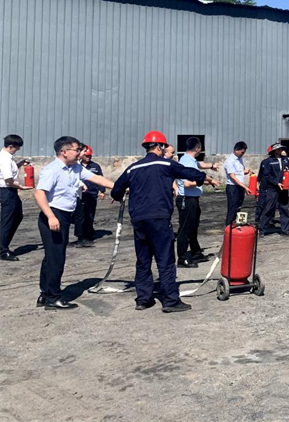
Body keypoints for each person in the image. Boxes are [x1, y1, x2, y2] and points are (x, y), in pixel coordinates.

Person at [111, 130, 206, 313]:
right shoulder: (166, 164)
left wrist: (125, 192)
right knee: (165, 259)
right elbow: (189, 173)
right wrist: (203, 178)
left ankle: (143, 299)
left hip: (139, 219)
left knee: (143, 259)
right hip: (159, 218)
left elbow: (116, 191)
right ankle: (170, 300)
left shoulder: (133, 168)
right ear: (160, 146)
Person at [34, 136, 115, 310]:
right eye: (76, 150)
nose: (80, 153)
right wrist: (51, 216)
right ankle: (53, 298)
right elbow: (39, 194)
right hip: (53, 215)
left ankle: (45, 293)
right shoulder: (53, 169)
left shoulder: (75, 168)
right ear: (64, 152)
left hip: (63, 215)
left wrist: (117, 187)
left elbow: (96, 178)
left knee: (51, 258)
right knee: (56, 258)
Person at [175, 137, 220, 268]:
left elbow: (200, 164)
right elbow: (188, 183)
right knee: (185, 229)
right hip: (186, 199)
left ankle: (196, 253)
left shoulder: (190, 160)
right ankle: (182, 259)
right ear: (197, 148)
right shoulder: (187, 163)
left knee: (193, 227)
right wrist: (208, 181)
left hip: (193, 199)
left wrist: (211, 166)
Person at [1, 134, 33, 261]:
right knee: (8, 220)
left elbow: (11, 173)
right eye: (17, 148)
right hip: (7, 190)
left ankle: (2, 245)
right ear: (10, 146)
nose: (17, 150)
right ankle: (2, 250)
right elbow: (8, 180)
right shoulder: (5, 159)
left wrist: (19, 164)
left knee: (17, 216)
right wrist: (21, 188)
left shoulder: (8, 158)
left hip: (9, 191)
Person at [72, 145, 106, 248]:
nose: (88, 157)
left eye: (89, 156)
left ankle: (88, 233)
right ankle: (81, 235)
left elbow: (100, 178)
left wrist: (102, 191)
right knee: (80, 215)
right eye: (86, 155)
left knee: (90, 214)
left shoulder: (95, 166)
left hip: (91, 194)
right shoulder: (78, 166)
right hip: (81, 194)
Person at [257, 143, 289, 237]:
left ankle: (285, 230)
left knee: (284, 209)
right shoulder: (267, 161)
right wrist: (277, 183)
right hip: (272, 189)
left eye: (282, 149)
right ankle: (262, 229)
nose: (281, 150)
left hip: (284, 189)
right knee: (268, 209)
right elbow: (267, 175)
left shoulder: (285, 159)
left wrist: (288, 169)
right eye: (279, 149)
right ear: (274, 150)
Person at [224, 141, 252, 226]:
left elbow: (238, 172)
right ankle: (229, 227)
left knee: (238, 208)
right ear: (236, 150)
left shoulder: (239, 159)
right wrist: (245, 187)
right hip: (233, 187)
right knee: (232, 209)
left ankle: (236, 225)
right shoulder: (230, 161)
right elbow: (232, 176)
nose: (243, 154)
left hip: (240, 186)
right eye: (242, 152)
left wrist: (245, 171)